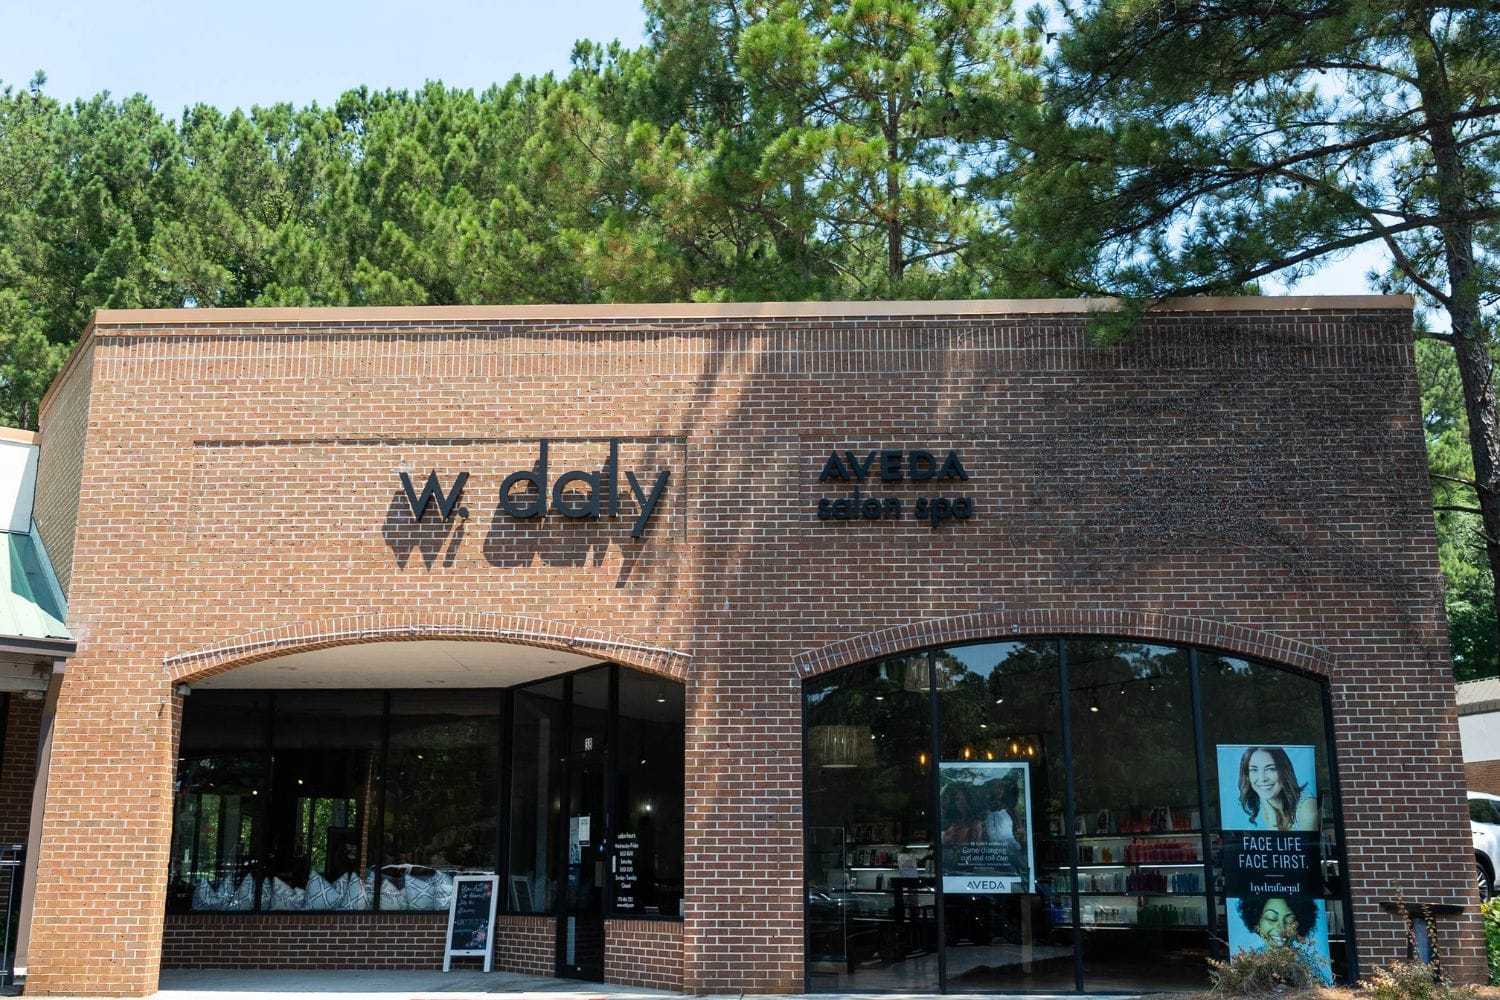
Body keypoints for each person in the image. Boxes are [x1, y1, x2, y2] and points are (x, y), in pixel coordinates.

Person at [1236, 894, 1332, 984]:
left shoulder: (1307, 965)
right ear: (1257, 922)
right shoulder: (1248, 963)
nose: (1281, 928)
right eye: (1271, 918)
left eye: (1289, 920)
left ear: (1299, 924)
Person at [1238, 746, 1319, 831]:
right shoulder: (1263, 804)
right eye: (1254, 770)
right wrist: (1272, 817)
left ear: (1284, 771)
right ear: (1248, 776)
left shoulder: (1307, 808)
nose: (1262, 778)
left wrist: (1272, 821)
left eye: (1270, 769)